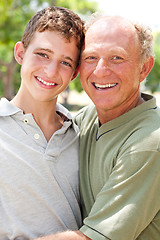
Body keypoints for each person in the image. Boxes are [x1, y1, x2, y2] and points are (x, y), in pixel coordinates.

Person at [35, 14, 160, 240]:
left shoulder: (150, 143)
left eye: (117, 58)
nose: (101, 70)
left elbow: (94, 237)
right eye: (91, 57)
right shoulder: (85, 120)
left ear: (144, 68)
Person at [0, 6, 84, 239]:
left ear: (75, 73)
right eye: (43, 54)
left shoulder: (82, 135)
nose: (50, 71)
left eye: (65, 62)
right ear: (20, 53)